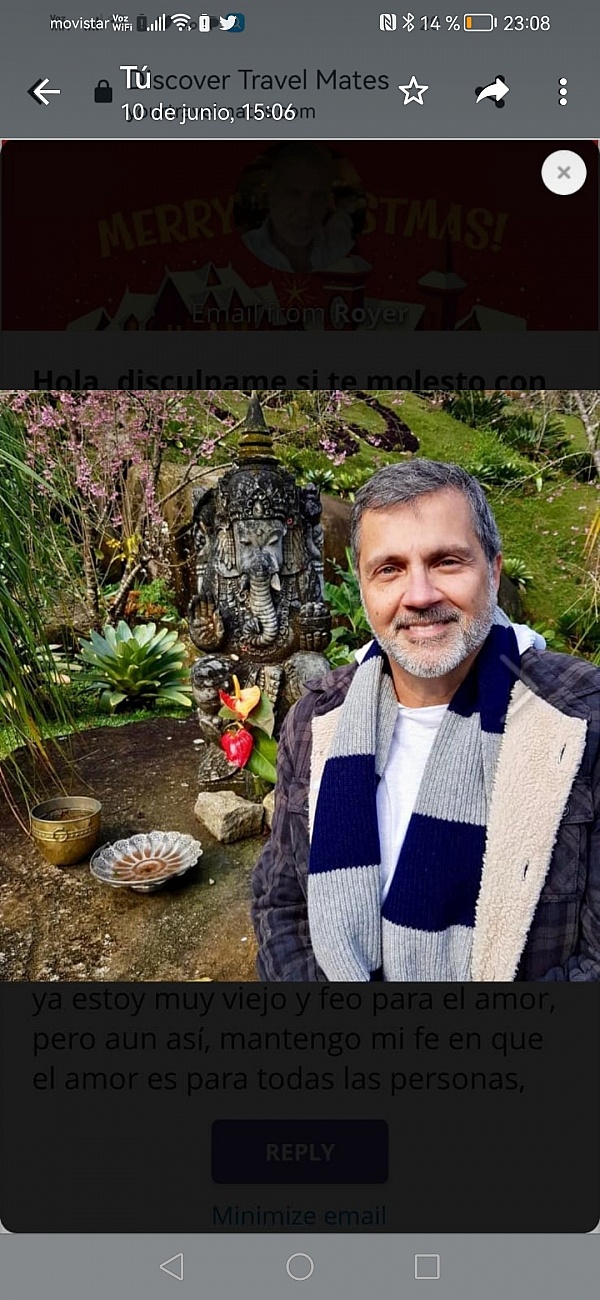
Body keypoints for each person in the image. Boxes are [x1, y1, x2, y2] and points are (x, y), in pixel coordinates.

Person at [251, 459, 600, 982]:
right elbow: (280, 905)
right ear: (363, 587)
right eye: (389, 569)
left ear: (493, 572)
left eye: (446, 562)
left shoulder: (581, 719)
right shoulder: (316, 721)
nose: (419, 596)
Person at [241, 143, 355, 273]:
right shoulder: (242, 252)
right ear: (271, 193)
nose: (305, 213)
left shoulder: (342, 248)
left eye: (317, 196)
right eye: (293, 194)